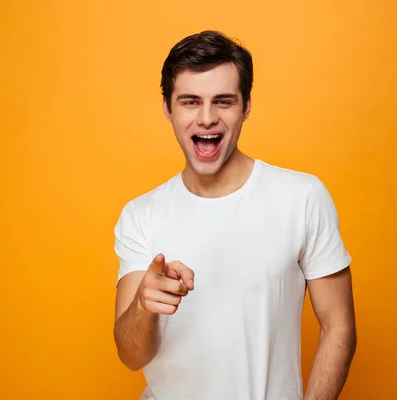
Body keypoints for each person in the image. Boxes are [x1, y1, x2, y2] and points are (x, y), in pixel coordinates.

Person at [112, 30, 357, 400]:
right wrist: (144, 304)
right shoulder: (140, 215)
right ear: (168, 108)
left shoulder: (302, 197)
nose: (207, 118)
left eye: (223, 101)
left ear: (246, 107)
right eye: (190, 101)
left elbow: (338, 326)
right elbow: (131, 356)